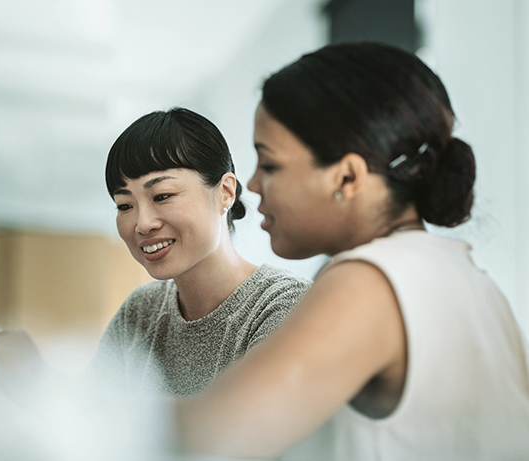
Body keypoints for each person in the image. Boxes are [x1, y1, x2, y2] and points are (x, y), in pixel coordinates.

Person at [177, 42, 529, 460]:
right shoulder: (468, 277)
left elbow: (206, 437)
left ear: (346, 177)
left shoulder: (369, 280)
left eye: (269, 165)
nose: (251, 184)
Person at [86, 107, 311, 397]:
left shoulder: (284, 308)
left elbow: (250, 434)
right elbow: (90, 424)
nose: (143, 224)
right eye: (124, 206)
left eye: (162, 196)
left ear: (225, 192)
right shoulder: (140, 311)